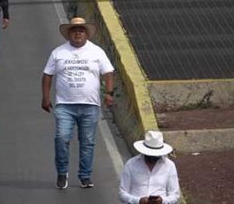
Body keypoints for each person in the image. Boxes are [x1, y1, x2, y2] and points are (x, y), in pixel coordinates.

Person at [42, 17, 115, 190]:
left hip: (90, 105)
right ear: (69, 34)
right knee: (61, 138)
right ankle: (62, 172)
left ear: (86, 33)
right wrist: (45, 97)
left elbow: (108, 72)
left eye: (81, 30)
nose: (78, 33)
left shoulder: (96, 52)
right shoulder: (58, 53)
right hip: (65, 105)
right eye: (75, 30)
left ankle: (85, 175)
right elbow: (47, 74)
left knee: (87, 141)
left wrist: (109, 93)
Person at [119, 131, 181, 204]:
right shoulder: (131, 164)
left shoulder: (169, 166)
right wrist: (138, 201)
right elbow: (122, 193)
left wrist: (162, 200)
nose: (153, 159)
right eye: (150, 156)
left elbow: (175, 195)